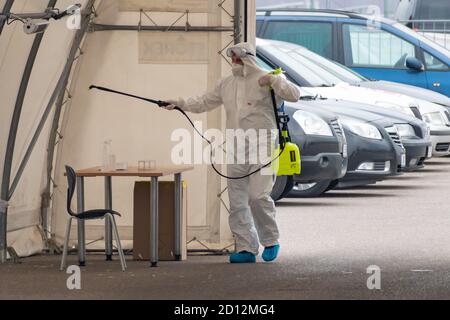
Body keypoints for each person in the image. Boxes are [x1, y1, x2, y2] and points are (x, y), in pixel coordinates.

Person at [166, 42, 300, 263]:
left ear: (248, 59)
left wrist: (275, 80)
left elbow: (294, 95)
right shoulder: (226, 85)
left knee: (257, 196)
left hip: (262, 144)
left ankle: (270, 239)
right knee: (237, 200)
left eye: (238, 58)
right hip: (236, 145)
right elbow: (203, 102)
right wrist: (179, 103)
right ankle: (246, 247)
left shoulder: (265, 80)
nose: (235, 63)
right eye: (233, 59)